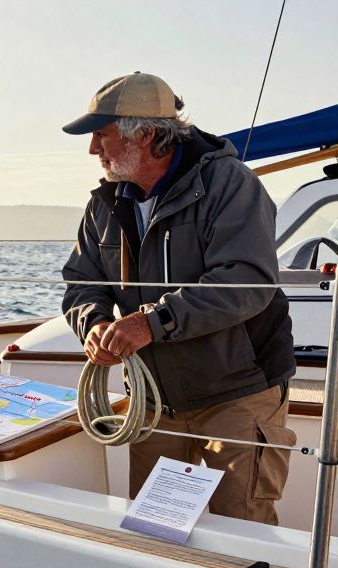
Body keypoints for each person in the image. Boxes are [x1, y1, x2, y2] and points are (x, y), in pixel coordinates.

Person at [59, 71, 296, 524]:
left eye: (101, 135)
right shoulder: (104, 203)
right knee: (157, 532)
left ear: (145, 135)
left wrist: (150, 323)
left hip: (236, 394)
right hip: (155, 402)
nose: (93, 149)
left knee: (243, 532)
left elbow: (246, 280)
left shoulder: (230, 183)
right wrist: (94, 327)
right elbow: (81, 282)